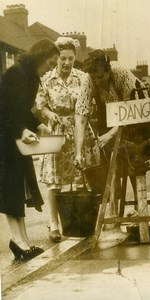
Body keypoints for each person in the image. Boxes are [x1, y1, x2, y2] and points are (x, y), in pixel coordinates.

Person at [74, 49, 150, 219]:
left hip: (137, 113)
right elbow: (81, 116)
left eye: (100, 77)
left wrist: (111, 134)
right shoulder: (88, 80)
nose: (97, 81)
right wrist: (79, 152)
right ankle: (113, 212)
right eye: (94, 78)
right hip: (109, 114)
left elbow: (132, 110)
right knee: (112, 163)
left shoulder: (121, 74)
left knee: (135, 161)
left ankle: (141, 208)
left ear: (108, 71)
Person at [35, 37, 100, 242]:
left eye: (70, 58)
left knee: (83, 178)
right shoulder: (46, 79)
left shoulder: (82, 78)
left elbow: (92, 102)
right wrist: (50, 114)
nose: (66, 63)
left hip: (80, 130)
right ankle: (54, 225)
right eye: (62, 58)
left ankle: (82, 222)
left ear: (75, 58)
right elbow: (40, 105)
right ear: (57, 58)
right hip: (57, 132)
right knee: (54, 181)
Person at [0, 39, 59, 260]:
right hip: (5, 139)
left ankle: (23, 241)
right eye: (50, 63)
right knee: (10, 191)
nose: (50, 68)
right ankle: (17, 240)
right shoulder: (15, 74)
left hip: (17, 138)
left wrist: (36, 125)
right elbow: (5, 110)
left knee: (19, 190)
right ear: (40, 57)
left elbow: (22, 110)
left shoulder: (31, 77)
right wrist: (21, 130)